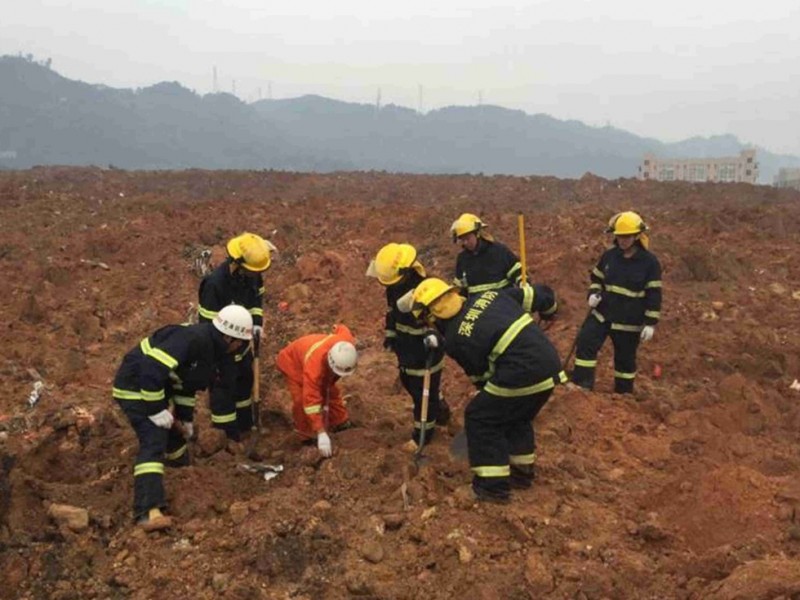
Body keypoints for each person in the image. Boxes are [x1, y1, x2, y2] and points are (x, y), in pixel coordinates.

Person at [405, 277, 564, 503]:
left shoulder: (455, 338)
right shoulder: (490, 295)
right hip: (549, 365)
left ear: (433, 316)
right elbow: (537, 294)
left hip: (521, 372)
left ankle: (491, 488)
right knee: (516, 414)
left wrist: (486, 392)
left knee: (481, 417)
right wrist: (550, 310)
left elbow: (481, 376)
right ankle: (521, 474)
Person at [112, 305, 253, 531]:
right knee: (154, 439)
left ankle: (179, 473)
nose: (240, 347)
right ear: (228, 336)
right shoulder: (192, 339)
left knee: (175, 439)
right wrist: (156, 409)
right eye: (239, 341)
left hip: (157, 389)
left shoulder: (212, 352)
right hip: (136, 387)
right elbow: (151, 368)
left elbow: (185, 386)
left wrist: (185, 419)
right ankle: (147, 511)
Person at [366, 243, 450, 451]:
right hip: (406, 350)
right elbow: (392, 313)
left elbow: (442, 323)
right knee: (410, 384)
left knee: (423, 395)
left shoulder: (426, 290)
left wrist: (434, 336)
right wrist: (390, 334)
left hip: (425, 352)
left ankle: (423, 434)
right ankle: (439, 407)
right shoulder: (394, 289)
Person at [571, 211, 662, 394]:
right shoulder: (610, 256)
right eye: (619, 236)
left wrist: (650, 323)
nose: (622, 240)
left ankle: (623, 395)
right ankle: (582, 387)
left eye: (626, 237)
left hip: (629, 322)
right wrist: (594, 292)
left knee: (625, 360)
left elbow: (654, 294)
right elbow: (596, 278)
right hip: (602, 315)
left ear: (637, 236)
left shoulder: (650, 263)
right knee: (585, 342)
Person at [198, 232, 276, 441]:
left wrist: (257, 323)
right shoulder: (215, 285)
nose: (256, 275)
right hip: (221, 352)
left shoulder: (252, 274)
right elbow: (207, 326)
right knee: (224, 392)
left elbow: (256, 298)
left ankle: (246, 427)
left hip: (242, 344)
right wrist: (222, 353)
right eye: (252, 272)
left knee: (244, 384)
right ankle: (228, 438)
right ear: (238, 264)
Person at [275, 324, 358, 458]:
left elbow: (342, 328)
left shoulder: (346, 343)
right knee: (301, 401)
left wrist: (335, 327)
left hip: (312, 354)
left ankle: (340, 422)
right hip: (293, 364)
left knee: (330, 391)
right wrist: (321, 432)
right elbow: (311, 401)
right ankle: (307, 436)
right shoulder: (314, 368)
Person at [451, 213, 523, 296]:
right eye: (462, 240)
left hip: (503, 303)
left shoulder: (498, 251)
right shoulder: (462, 259)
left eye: (468, 238)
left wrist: (522, 284)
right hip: (477, 307)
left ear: (477, 234)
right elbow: (460, 288)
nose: (465, 243)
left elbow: (518, 273)